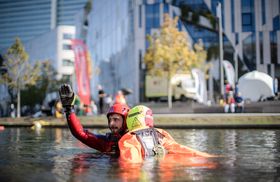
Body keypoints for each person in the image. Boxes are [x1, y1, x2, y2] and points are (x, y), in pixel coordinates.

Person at [118, 105, 215, 163]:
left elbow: (130, 161)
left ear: (130, 121)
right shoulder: (160, 133)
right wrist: (212, 158)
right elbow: (183, 150)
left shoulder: (129, 138)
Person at [59, 84, 130, 156]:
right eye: (110, 120)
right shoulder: (106, 142)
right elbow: (81, 134)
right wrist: (69, 110)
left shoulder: (136, 139)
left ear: (125, 121)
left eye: (115, 119)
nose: (111, 123)